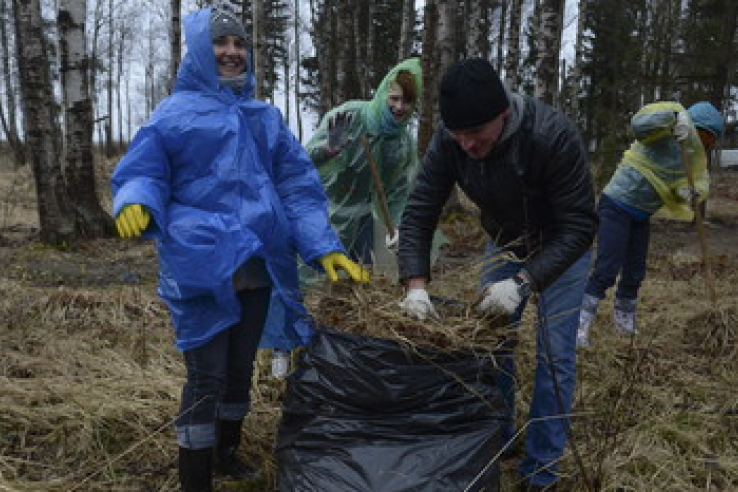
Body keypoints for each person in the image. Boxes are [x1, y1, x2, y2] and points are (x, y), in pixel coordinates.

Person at [110, 7, 368, 491]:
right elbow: (143, 170)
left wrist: (322, 246)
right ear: (200, 52)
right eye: (220, 43)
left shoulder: (263, 117)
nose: (231, 53)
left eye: (239, 44)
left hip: (258, 270)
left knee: (239, 371)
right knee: (205, 378)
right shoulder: (174, 114)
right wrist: (138, 200)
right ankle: (195, 477)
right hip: (202, 267)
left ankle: (226, 452)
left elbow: (297, 186)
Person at [397, 58, 597, 491]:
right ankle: (497, 437)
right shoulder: (450, 141)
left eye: (476, 135)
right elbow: (420, 211)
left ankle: (541, 469)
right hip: (505, 242)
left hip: (562, 246)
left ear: (503, 113)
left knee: (553, 356)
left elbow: (581, 225)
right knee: (491, 344)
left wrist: (525, 282)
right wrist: (415, 285)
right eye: (459, 135)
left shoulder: (551, 135)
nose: (467, 145)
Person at [577, 101, 724, 347]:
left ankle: (625, 322)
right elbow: (640, 125)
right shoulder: (666, 132)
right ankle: (580, 322)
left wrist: (691, 193)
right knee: (606, 269)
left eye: (710, 140)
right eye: (703, 136)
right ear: (693, 126)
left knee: (634, 272)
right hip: (616, 205)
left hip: (641, 215)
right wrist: (671, 118)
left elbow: (693, 181)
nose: (705, 144)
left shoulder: (693, 158)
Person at [305, 58, 424, 272]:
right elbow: (302, 163)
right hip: (322, 216)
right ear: (383, 95)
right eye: (394, 98)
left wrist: (398, 228)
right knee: (315, 282)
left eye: (406, 101)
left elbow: (398, 193)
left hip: (361, 221)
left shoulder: (402, 144)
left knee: (358, 280)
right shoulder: (350, 117)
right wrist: (328, 150)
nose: (399, 107)